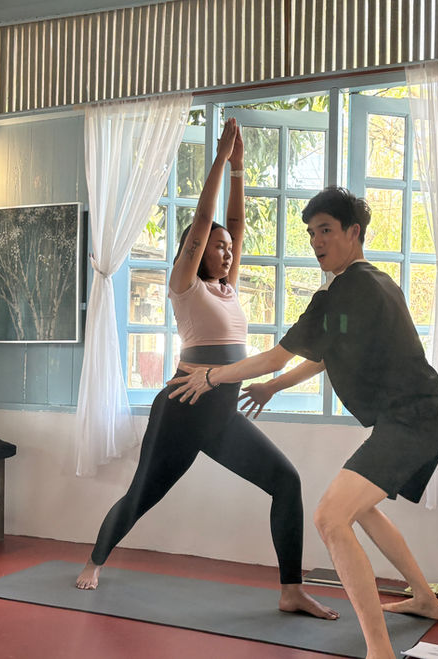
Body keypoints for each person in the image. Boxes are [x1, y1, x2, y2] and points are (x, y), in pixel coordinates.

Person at [169, 186, 438, 659]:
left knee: (328, 517)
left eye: (326, 230)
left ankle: (380, 652)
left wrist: (213, 375)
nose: (316, 241)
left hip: (414, 420)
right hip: (421, 417)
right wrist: (272, 389)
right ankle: (425, 599)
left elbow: (276, 356)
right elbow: (320, 357)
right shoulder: (372, 283)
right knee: (357, 508)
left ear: (353, 232)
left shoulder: (347, 289)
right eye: (310, 233)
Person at [75, 119, 338, 621]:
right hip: (181, 407)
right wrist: (219, 160)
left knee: (286, 481)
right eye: (217, 247)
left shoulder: (226, 287)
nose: (227, 250)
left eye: (229, 248)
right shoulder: (185, 284)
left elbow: (234, 227)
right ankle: (94, 560)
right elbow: (205, 221)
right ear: (195, 251)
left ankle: (290, 589)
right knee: (140, 496)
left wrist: (241, 169)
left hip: (221, 410)